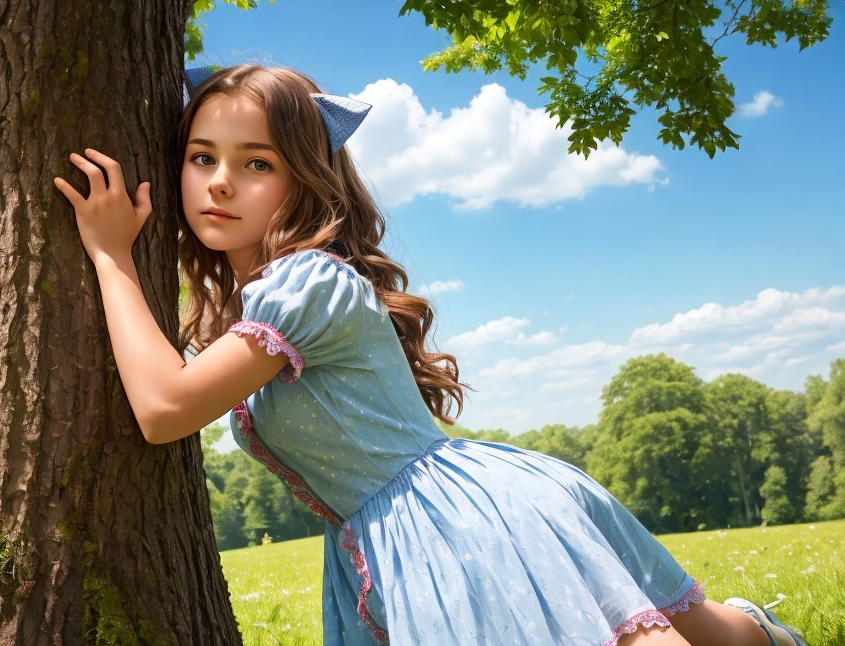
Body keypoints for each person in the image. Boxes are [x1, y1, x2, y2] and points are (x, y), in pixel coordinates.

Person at [54, 64, 807, 646]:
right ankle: (755, 627)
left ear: (304, 181)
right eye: (200, 156)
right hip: (401, 534)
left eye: (258, 163)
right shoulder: (262, 299)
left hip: (463, 522)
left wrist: (111, 255)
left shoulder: (307, 280)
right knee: (701, 628)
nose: (220, 181)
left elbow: (162, 410)